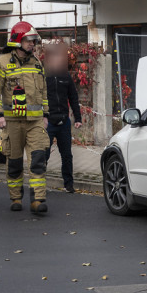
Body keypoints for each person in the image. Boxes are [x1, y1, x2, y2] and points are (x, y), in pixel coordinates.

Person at [0, 21, 50, 214]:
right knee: (14, 162)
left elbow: (44, 92)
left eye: (33, 41)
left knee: (38, 160)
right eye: (29, 40)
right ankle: (16, 198)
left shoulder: (37, 63)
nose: (33, 44)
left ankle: (38, 200)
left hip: (35, 122)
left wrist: (46, 114)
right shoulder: (2, 62)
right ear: (17, 41)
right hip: (12, 122)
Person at [43, 42, 83, 193]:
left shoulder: (65, 76)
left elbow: (73, 97)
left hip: (64, 122)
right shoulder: (43, 76)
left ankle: (69, 184)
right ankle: (40, 183)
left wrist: (77, 118)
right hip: (48, 122)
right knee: (44, 154)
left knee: (67, 155)